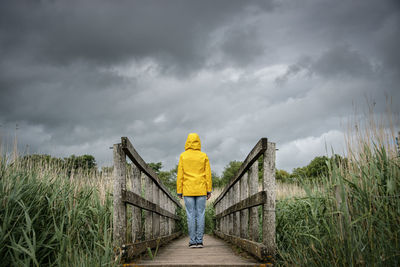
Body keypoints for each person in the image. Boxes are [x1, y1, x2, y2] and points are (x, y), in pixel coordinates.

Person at [177, 133, 212, 248]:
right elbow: (208, 175)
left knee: (190, 215)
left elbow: (180, 175)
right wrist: (209, 190)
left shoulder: (183, 156)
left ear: (187, 142)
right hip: (201, 189)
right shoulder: (203, 156)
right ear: (198, 142)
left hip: (188, 190)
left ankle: (192, 241)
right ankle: (200, 241)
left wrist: (179, 191)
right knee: (200, 215)